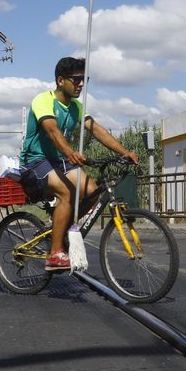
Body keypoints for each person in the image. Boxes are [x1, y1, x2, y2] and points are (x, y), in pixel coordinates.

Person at [19, 57, 138, 271]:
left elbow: (96, 129)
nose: (81, 84)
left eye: (84, 79)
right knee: (66, 191)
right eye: (76, 79)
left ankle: (61, 228)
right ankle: (55, 253)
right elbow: (52, 131)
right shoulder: (43, 100)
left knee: (92, 191)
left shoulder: (76, 106)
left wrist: (124, 152)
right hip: (36, 162)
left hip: (59, 162)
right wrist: (70, 152)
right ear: (60, 80)